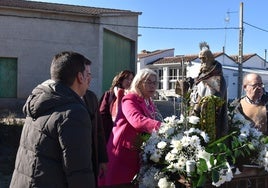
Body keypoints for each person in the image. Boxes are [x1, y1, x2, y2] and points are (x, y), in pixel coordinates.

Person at [10, 51, 96, 188]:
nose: (90, 79)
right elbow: (79, 171)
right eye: (88, 75)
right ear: (80, 77)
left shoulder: (41, 100)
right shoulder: (74, 112)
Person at [98, 68, 162, 187]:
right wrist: (162, 127)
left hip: (137, 153)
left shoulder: (149, 101)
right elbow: (137, 120)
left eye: (155, 82)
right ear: (139, 83)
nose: (153, 86)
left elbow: (150, 124)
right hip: (122, 155)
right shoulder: (130, 98)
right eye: (149, 82)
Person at [176, 42, 228, 141]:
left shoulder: (217, 78)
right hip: (195, 121)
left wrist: (198, 107)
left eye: (204, 58)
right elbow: (195, 91)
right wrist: (187, 85)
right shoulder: (202, 76)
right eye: (200, 59)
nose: (202, 61)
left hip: (211, 126)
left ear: (210, 59)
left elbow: (214, 101)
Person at [99, 70, 134, 142]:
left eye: (131, 79)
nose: (129, 82)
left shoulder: (133, 96)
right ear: (120, 80)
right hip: (111, 133)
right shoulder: (110, 94)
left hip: (127, 135)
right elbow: (102, 114)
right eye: (127, 79)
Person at [83, 90, 108, 186]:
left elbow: (99, 130)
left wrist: (102, 159)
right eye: (86, 74)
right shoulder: (64, 98)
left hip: (92, 156)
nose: (88, 78)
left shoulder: (91, 96)